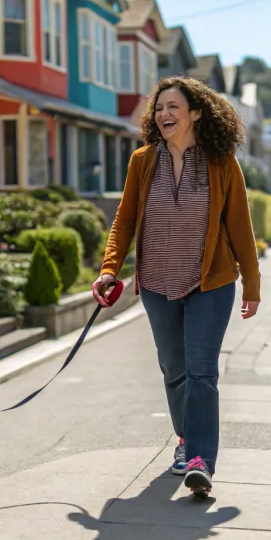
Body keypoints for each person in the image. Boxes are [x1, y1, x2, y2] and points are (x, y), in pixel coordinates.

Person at [92, 76, 261, 499]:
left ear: (196, 114)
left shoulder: (222, 162)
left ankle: (201, 459)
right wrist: (110, 268)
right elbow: (125, 220)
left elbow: (240, 225)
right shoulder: (143, 160)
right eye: (159, 108)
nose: (164, 115)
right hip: (156, 282)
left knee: (202, 373)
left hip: (211, 282)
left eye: (173, 107)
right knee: (175, 371)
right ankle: (186, 439)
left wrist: (252, 284)